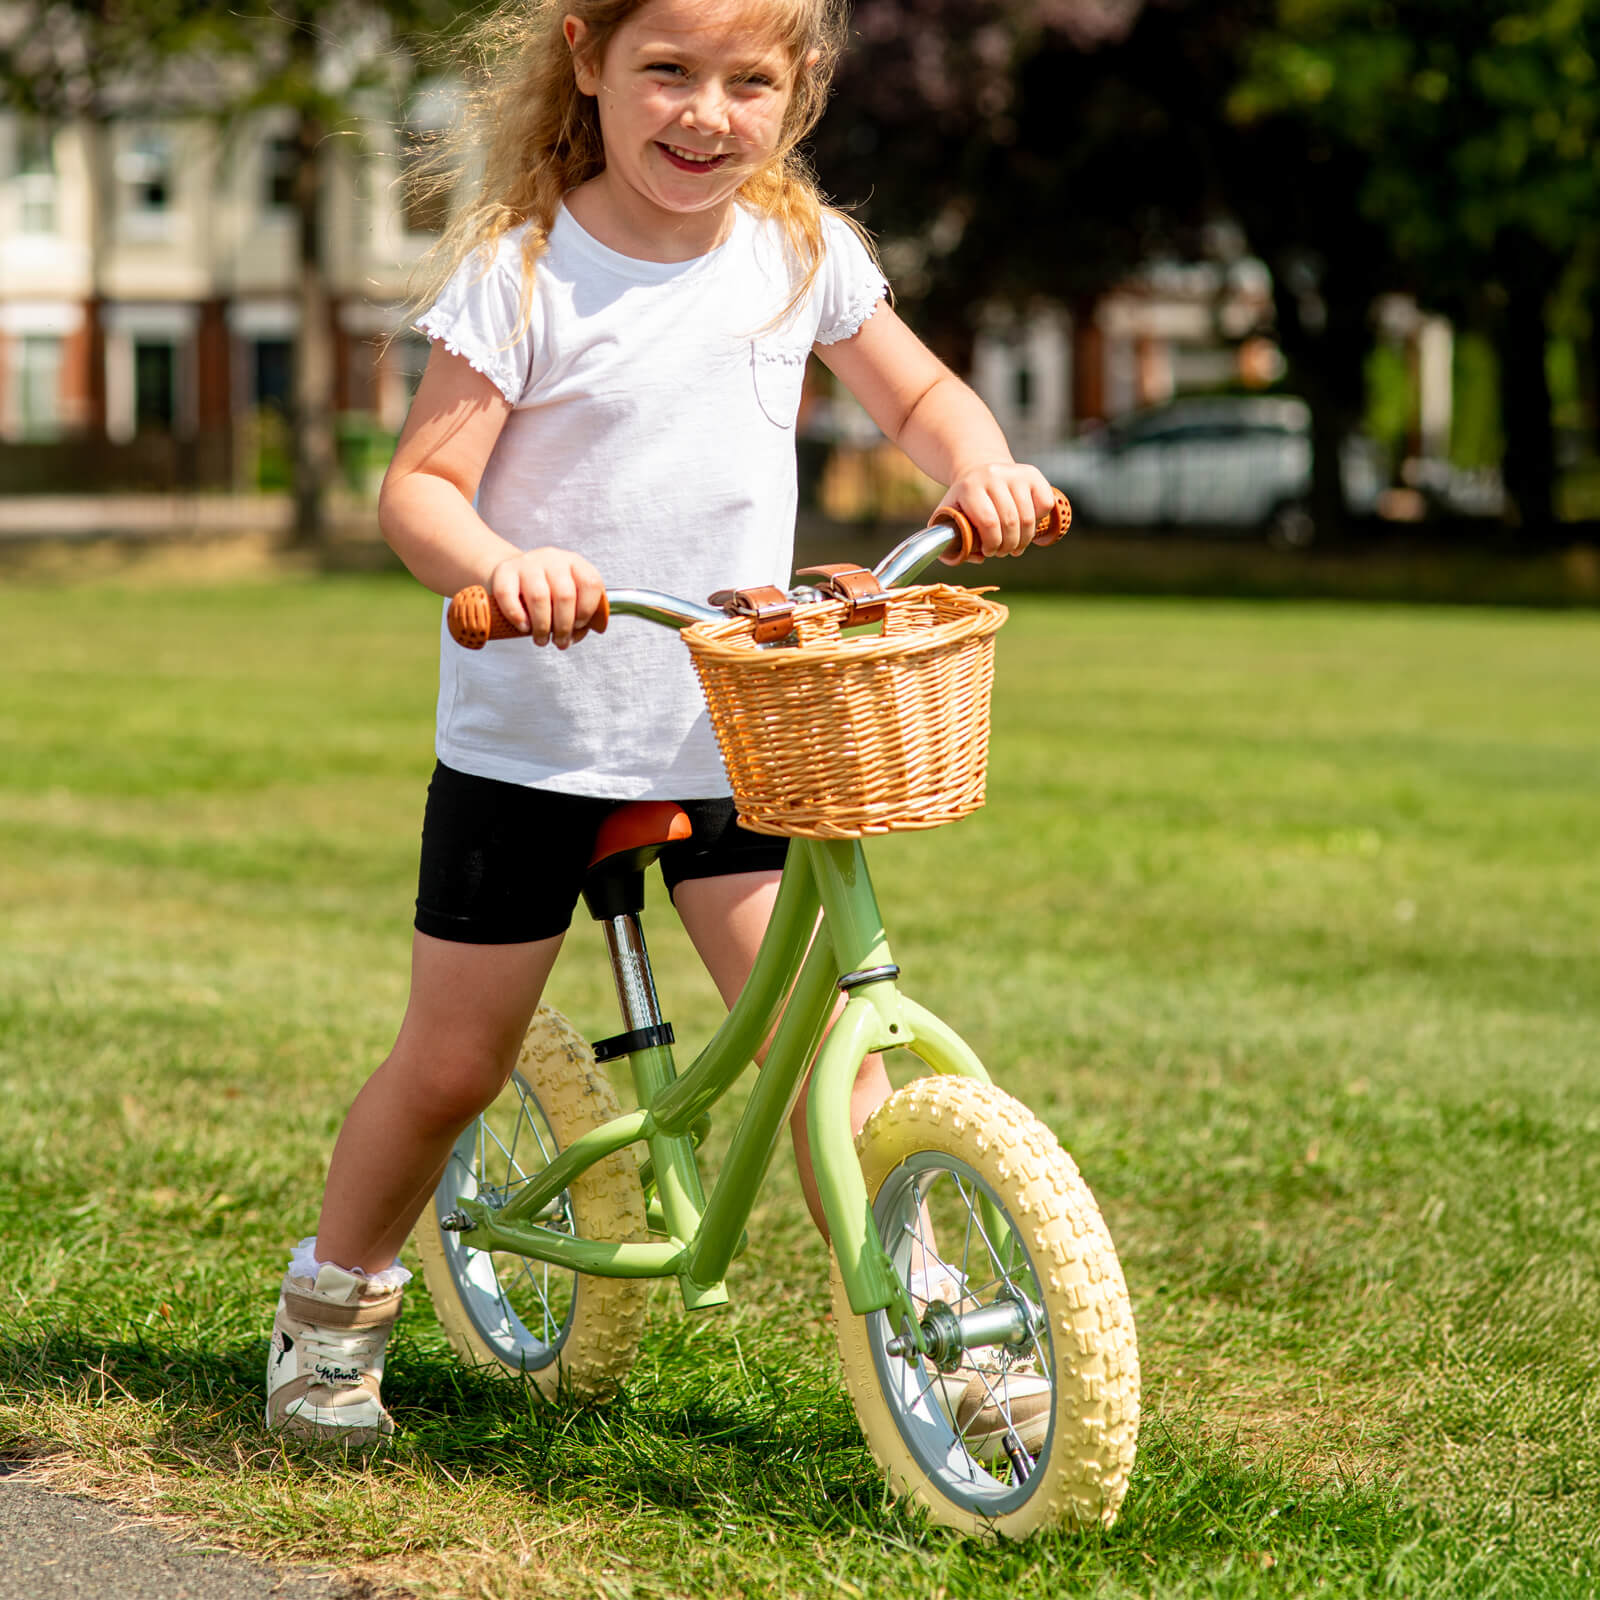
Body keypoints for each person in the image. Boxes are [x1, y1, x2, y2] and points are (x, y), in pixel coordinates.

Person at [266, 0, 1057, 1448]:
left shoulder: (798, 256)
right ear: (588, 59)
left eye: (749, 81)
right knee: (453, 1065)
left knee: (834, 1057)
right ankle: (335, 1307)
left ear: (797, 89)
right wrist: (502, 567)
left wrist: (981, 465)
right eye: (669, 71)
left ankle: (945, 1336)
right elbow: (419, 494)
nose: (707, 114)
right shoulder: (527, 272)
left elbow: (923, 394)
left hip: (735, 733)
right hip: (537, 739)